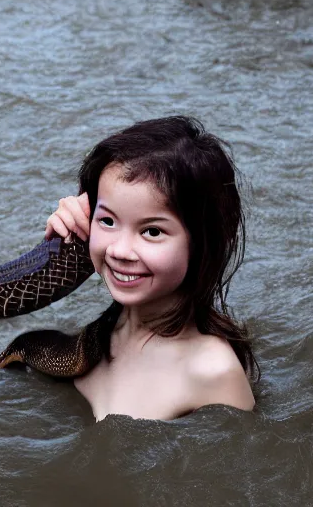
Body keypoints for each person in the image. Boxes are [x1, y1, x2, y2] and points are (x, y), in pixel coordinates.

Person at [46, 116, 259, 422]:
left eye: (152, 232)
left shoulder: (213, 373)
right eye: (107, 220)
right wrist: (59, 248)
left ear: (203, 243)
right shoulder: (105, 332)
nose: (118, 250)